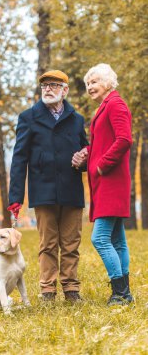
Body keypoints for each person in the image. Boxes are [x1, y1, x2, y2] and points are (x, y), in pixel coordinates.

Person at [8, 70, 88, 302]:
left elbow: (85, 153)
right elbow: (19, 158)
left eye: (54, 85)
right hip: (43, 191)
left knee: (71, 243)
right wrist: (15, 197)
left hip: (71, 190)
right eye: (44, 86)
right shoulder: (28, 117)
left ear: (65, 90)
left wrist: (83, 161)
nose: (48, 89)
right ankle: (47, 291)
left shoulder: (77, 119)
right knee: (48, 244)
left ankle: (71, 289)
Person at [72, 63, 134, 306]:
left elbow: (124, 139)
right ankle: (124, 293)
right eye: (88, 83)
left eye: (95, 81)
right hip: (104, 182)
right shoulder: (103, 108)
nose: (90, 87)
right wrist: (88, 153)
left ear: (108, 82)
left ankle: (120, 292)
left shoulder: (116, 104)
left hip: (112, 181)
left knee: (99, 238)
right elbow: (104, 141)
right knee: (117, 240)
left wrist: (102, 165)